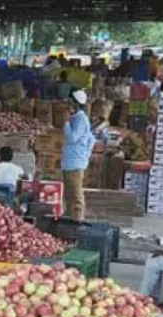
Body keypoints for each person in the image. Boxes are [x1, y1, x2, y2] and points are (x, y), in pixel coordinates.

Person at [62, 90, 96, 221]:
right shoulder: (76, 118)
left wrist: (66, 122)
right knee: (69, 193)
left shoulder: (81, 120)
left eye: (71, 102)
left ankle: (78, 217)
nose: (68, 104)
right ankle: (70, 216)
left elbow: (72, 138)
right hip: (70, 161)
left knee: (75, 193)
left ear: (76, 103)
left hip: (75, 162)